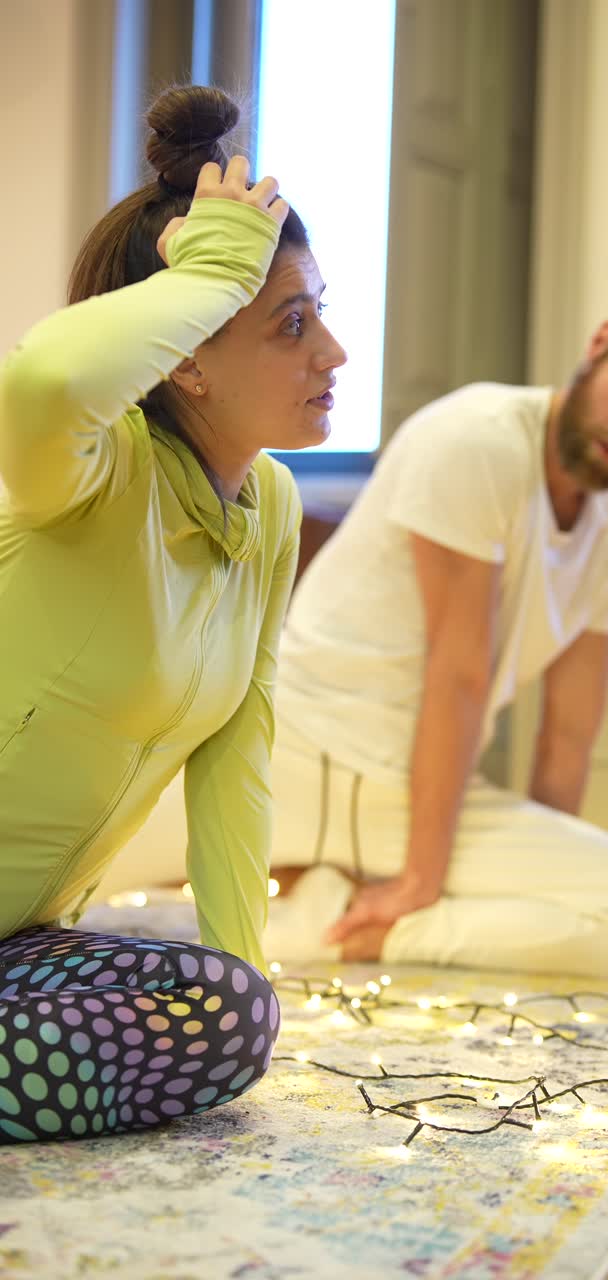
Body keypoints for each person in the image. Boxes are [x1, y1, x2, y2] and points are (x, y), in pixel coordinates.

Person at [0, 84, 346, 1145]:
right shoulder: (92, 475)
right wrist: (211, 274)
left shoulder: (272, 504)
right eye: (291, 322)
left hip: (20, 940)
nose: (332, 354)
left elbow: (238, 761)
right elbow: (45, 378)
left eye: (320, 310)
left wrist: (250, 994)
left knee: (221, 1002)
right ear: (186, 352)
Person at [266, 286, 608, 981]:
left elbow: (568, 736)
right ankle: (348, 918)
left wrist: (551, 864)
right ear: (600, 344)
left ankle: (347, 914)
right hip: (309, 752)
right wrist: (424, 877)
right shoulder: (476, 438)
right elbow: (460, 677)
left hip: (402, 784)